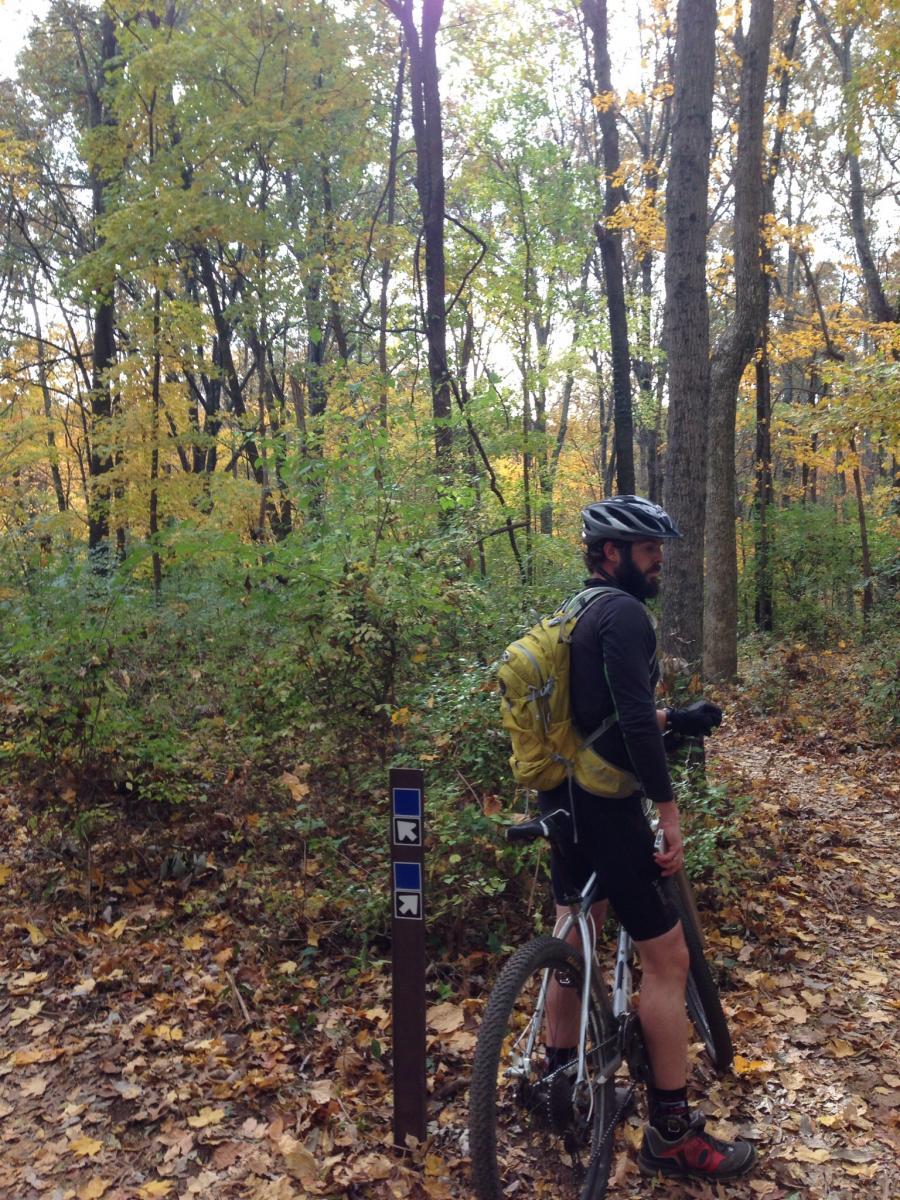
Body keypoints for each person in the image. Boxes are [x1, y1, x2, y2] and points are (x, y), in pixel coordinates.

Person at [539, 494, 756, 1181]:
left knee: (575, 926)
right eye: (646, 548)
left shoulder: (574, 612)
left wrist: (673, 717)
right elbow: (629, 725)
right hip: (608, 810)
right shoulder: (627, 615)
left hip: (559, 799)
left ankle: (554, 1082)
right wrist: (668, 810)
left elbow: (597, 714)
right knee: (666, 962)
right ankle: (671, 1134)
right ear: (611, 554)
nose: (658, 559)